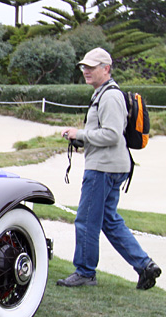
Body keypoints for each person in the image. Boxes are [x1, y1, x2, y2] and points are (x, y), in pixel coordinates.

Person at [58, 47, 160, 290]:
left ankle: (85, 272)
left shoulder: (110, 96)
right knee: (109, 221)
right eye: (85, 66)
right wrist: (80, 138)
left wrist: (79, 133)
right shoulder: (103, 93)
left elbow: (112, 135)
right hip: (111, 166)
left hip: (103, 169)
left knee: (86, 220)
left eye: (92, 67)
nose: (86, 71)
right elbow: (107, 133)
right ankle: (145, 266)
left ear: (107, 69)